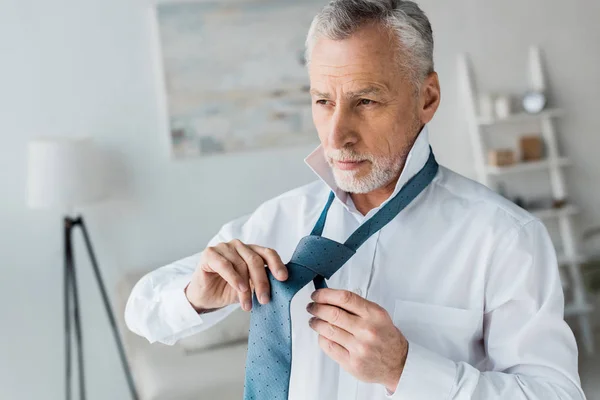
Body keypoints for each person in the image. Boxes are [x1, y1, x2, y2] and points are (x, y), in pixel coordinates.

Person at [125, 1, 586, 398]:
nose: (337, 135)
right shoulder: (278, 222)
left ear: (426, 98)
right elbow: (144, 312)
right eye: (323, 101)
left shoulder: (505, 239)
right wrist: (195, 295)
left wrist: (407, 370)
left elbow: (556, 393)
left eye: (365, 101)